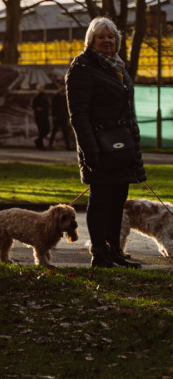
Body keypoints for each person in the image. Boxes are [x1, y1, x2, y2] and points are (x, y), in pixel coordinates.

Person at [66, 17, 144, 269]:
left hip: (121, 146)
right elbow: (78, 114)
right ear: (91, 41)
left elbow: (127, 111)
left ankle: (115, 252)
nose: (107, 40)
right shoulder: (83, 67)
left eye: (111, 36)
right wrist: (91, 150)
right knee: (100, 201)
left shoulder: (117, 66)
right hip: (99, 146)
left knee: (117, 200)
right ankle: (99, 254)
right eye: (101, 37)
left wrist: (133, 145)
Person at [48, 80, 73, 150]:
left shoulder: (65, 97)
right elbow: (53, 107)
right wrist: (54, 116)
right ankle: (50, 146)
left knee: (66, 133)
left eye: (63, 87)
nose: (62, 88)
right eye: (61, 87)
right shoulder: (55, 97)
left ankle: (68, 147)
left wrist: (67, 116)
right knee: (54, 132)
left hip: (64, 117)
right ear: (59, 88)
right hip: (57, 117)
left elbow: (67, 107)